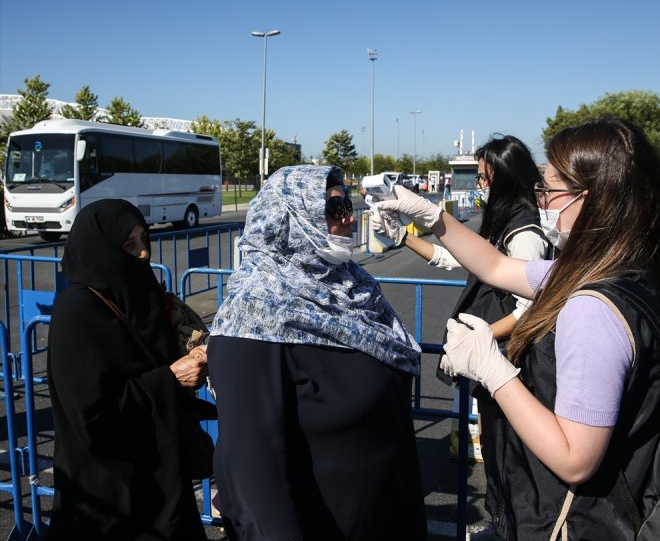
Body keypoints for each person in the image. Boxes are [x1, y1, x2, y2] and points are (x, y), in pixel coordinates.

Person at [376, 117, 660, 539]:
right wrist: (434, 217)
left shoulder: (593, 309)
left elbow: (574, 458)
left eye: (548, 189)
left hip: (575, 521)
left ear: (591, 198)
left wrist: (494, 371)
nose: (540, 199)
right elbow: (496, 265)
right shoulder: (620, 268)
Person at [208, 164, 427, 540]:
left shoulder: (354, 287)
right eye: (334, 210)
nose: (349, 219)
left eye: (348, 206)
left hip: (382, 513)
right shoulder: (254, 316)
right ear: (291, 220)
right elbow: (254, 472)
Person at [372, 134, 549, 531]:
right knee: (493, 448)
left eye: (485, 179)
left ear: (505, 179)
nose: (480, 187)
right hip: (494, 360)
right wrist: (404, 237)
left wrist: (479, 344)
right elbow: (451, 258)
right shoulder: (501, 223)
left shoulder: (525, 235)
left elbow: (528, 311)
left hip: (511, 363)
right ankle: (499, 522)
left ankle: (512, 527)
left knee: (510, 456)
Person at [47, 199, 210, 540]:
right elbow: (93, 413)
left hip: (160, 479)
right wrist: (170, 379)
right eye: (128, 245)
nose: (143, 254)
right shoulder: (77, 313)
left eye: (144, 241)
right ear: (100, 249)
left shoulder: (137, 292)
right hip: (108, 495)